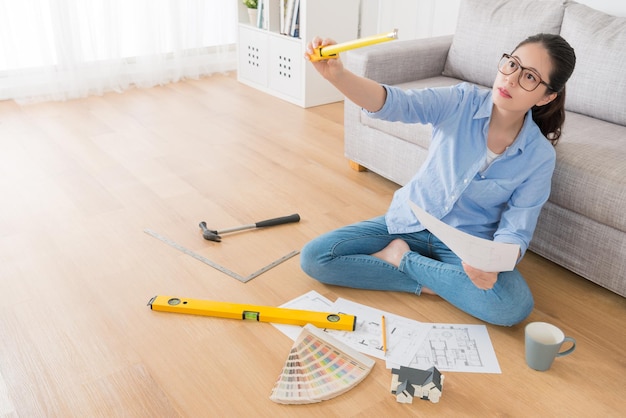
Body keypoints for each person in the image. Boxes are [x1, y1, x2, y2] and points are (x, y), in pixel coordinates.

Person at [300, 33, 576, 326]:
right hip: (410, 221)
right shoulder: (462, 101)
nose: (510, 79)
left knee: (512, 307)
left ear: (547, 96)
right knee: (316, 257)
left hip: (464, 247)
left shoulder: (539, 156)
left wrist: (494, 264)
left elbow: (517, 228)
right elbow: (396, 103)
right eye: (512, 64)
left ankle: (399, 260)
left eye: (529, 77)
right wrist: (338, 76)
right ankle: (430, 277)